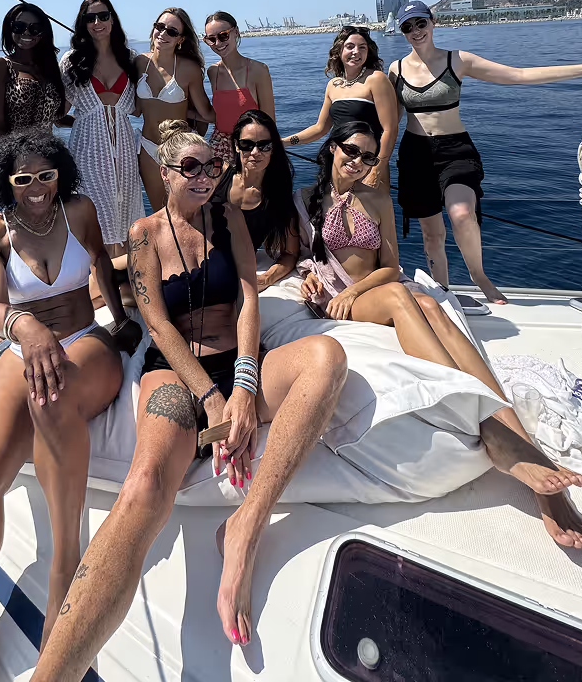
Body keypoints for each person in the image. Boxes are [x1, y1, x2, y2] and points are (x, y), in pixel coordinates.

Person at [29, 121, 348, 680]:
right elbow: (155, 321)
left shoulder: (229, 220)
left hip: (239, 361)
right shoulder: (144, 234)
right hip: (177, 372)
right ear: (168, 174)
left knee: (327, 359)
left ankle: (246, 526)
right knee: (145, 488)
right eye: (191, 168)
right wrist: (210, 396)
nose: (205, 178)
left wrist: (245, 386)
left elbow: (249, 297)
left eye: (212, 167)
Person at [297, 120, 582, 551]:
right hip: (340, 299)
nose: (358, 162)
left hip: (368, 289)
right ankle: (485, 424)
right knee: (401, 298)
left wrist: (361, 287)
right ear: (332, 148)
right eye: (351, 151)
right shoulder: (304, 199)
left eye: (369, 157)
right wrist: (307, 279)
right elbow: (300, 255)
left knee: (430, 306)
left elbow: (390, 266)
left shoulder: (376, 197)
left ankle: (526, 449)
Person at [0, 132, 142, 681]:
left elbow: (101, 263)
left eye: (46, 174)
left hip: (85, 338)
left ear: (62, 174)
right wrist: (24, 325)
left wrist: (122, 322)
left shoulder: (79, 210)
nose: (36, 187)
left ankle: (64, 566)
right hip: (20, 347)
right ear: (6, 181)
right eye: (23, 178)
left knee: (52, 400)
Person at [389, 0, 582, 305]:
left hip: (455, 150)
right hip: (414, 154)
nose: (416, 31)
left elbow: (518, 75)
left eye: (421, 23)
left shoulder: (457, 60)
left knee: (461, 214)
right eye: (408, 27)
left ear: (433, 22)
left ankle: (479, 276)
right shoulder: (396, 70)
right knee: (432, 236)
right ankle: (443, 294)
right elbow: (389, 121)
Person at [60, 0, 143, 273]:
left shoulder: (130, 58)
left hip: (124, 148)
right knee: (96, 213)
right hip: (87, 147)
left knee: (126, 209)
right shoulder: (71, 61)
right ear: (82, 24)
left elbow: (143, 106)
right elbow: (59, 110)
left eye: (103, 15)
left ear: (112, 18)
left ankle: (124, 280)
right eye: (90, 18)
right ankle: (98, 281)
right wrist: (85, 122)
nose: (97, 22)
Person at [282, 25, 397, 190]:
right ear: (339, 50)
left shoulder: (376, 79)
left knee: (370, 213)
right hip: (338, 162)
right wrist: (284, 142)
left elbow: (390, 129)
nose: (356, 51)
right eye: (350, 46)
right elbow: (320, 128)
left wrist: (376, 169)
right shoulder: (333, 85)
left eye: (362, 47)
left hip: (365, 164)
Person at [135, 7, 216, 210]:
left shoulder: (189, 69)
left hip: (181, 152)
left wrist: (184, 113)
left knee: (187, 213)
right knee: (159, 212)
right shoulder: (139, 63)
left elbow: (208, 114)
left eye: (172, 31)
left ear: (180, 39)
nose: (163, 34)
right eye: (160, 27)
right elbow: (135, 109)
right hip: (147, 148)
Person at [211, 110, 298, 291]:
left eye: (264, 145)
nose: (255, 152)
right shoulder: (216, 176)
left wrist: (267, 277)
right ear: (236, 145)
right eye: (246, 145)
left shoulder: (277, 197)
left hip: (238, 268)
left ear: (273, 148)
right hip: (202, 261)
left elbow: (290, 253)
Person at [0, 4, 67, 141]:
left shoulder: (50, 68)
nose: (27, 32)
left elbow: (53, 117)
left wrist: (89, 120)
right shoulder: (0, 67)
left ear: (43, 32)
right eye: (19, 26)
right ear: (9, 28)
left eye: (35, 28)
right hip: (12, 153)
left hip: (46, 155)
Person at [203, 11, 275, 161]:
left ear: (236, 32)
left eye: (223, 35)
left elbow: (269, 121)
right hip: (219, 148)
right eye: (211, 39)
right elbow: (220, 115)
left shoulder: (258, 70)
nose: (218, 43)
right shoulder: (212, 72)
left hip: (250, 148)